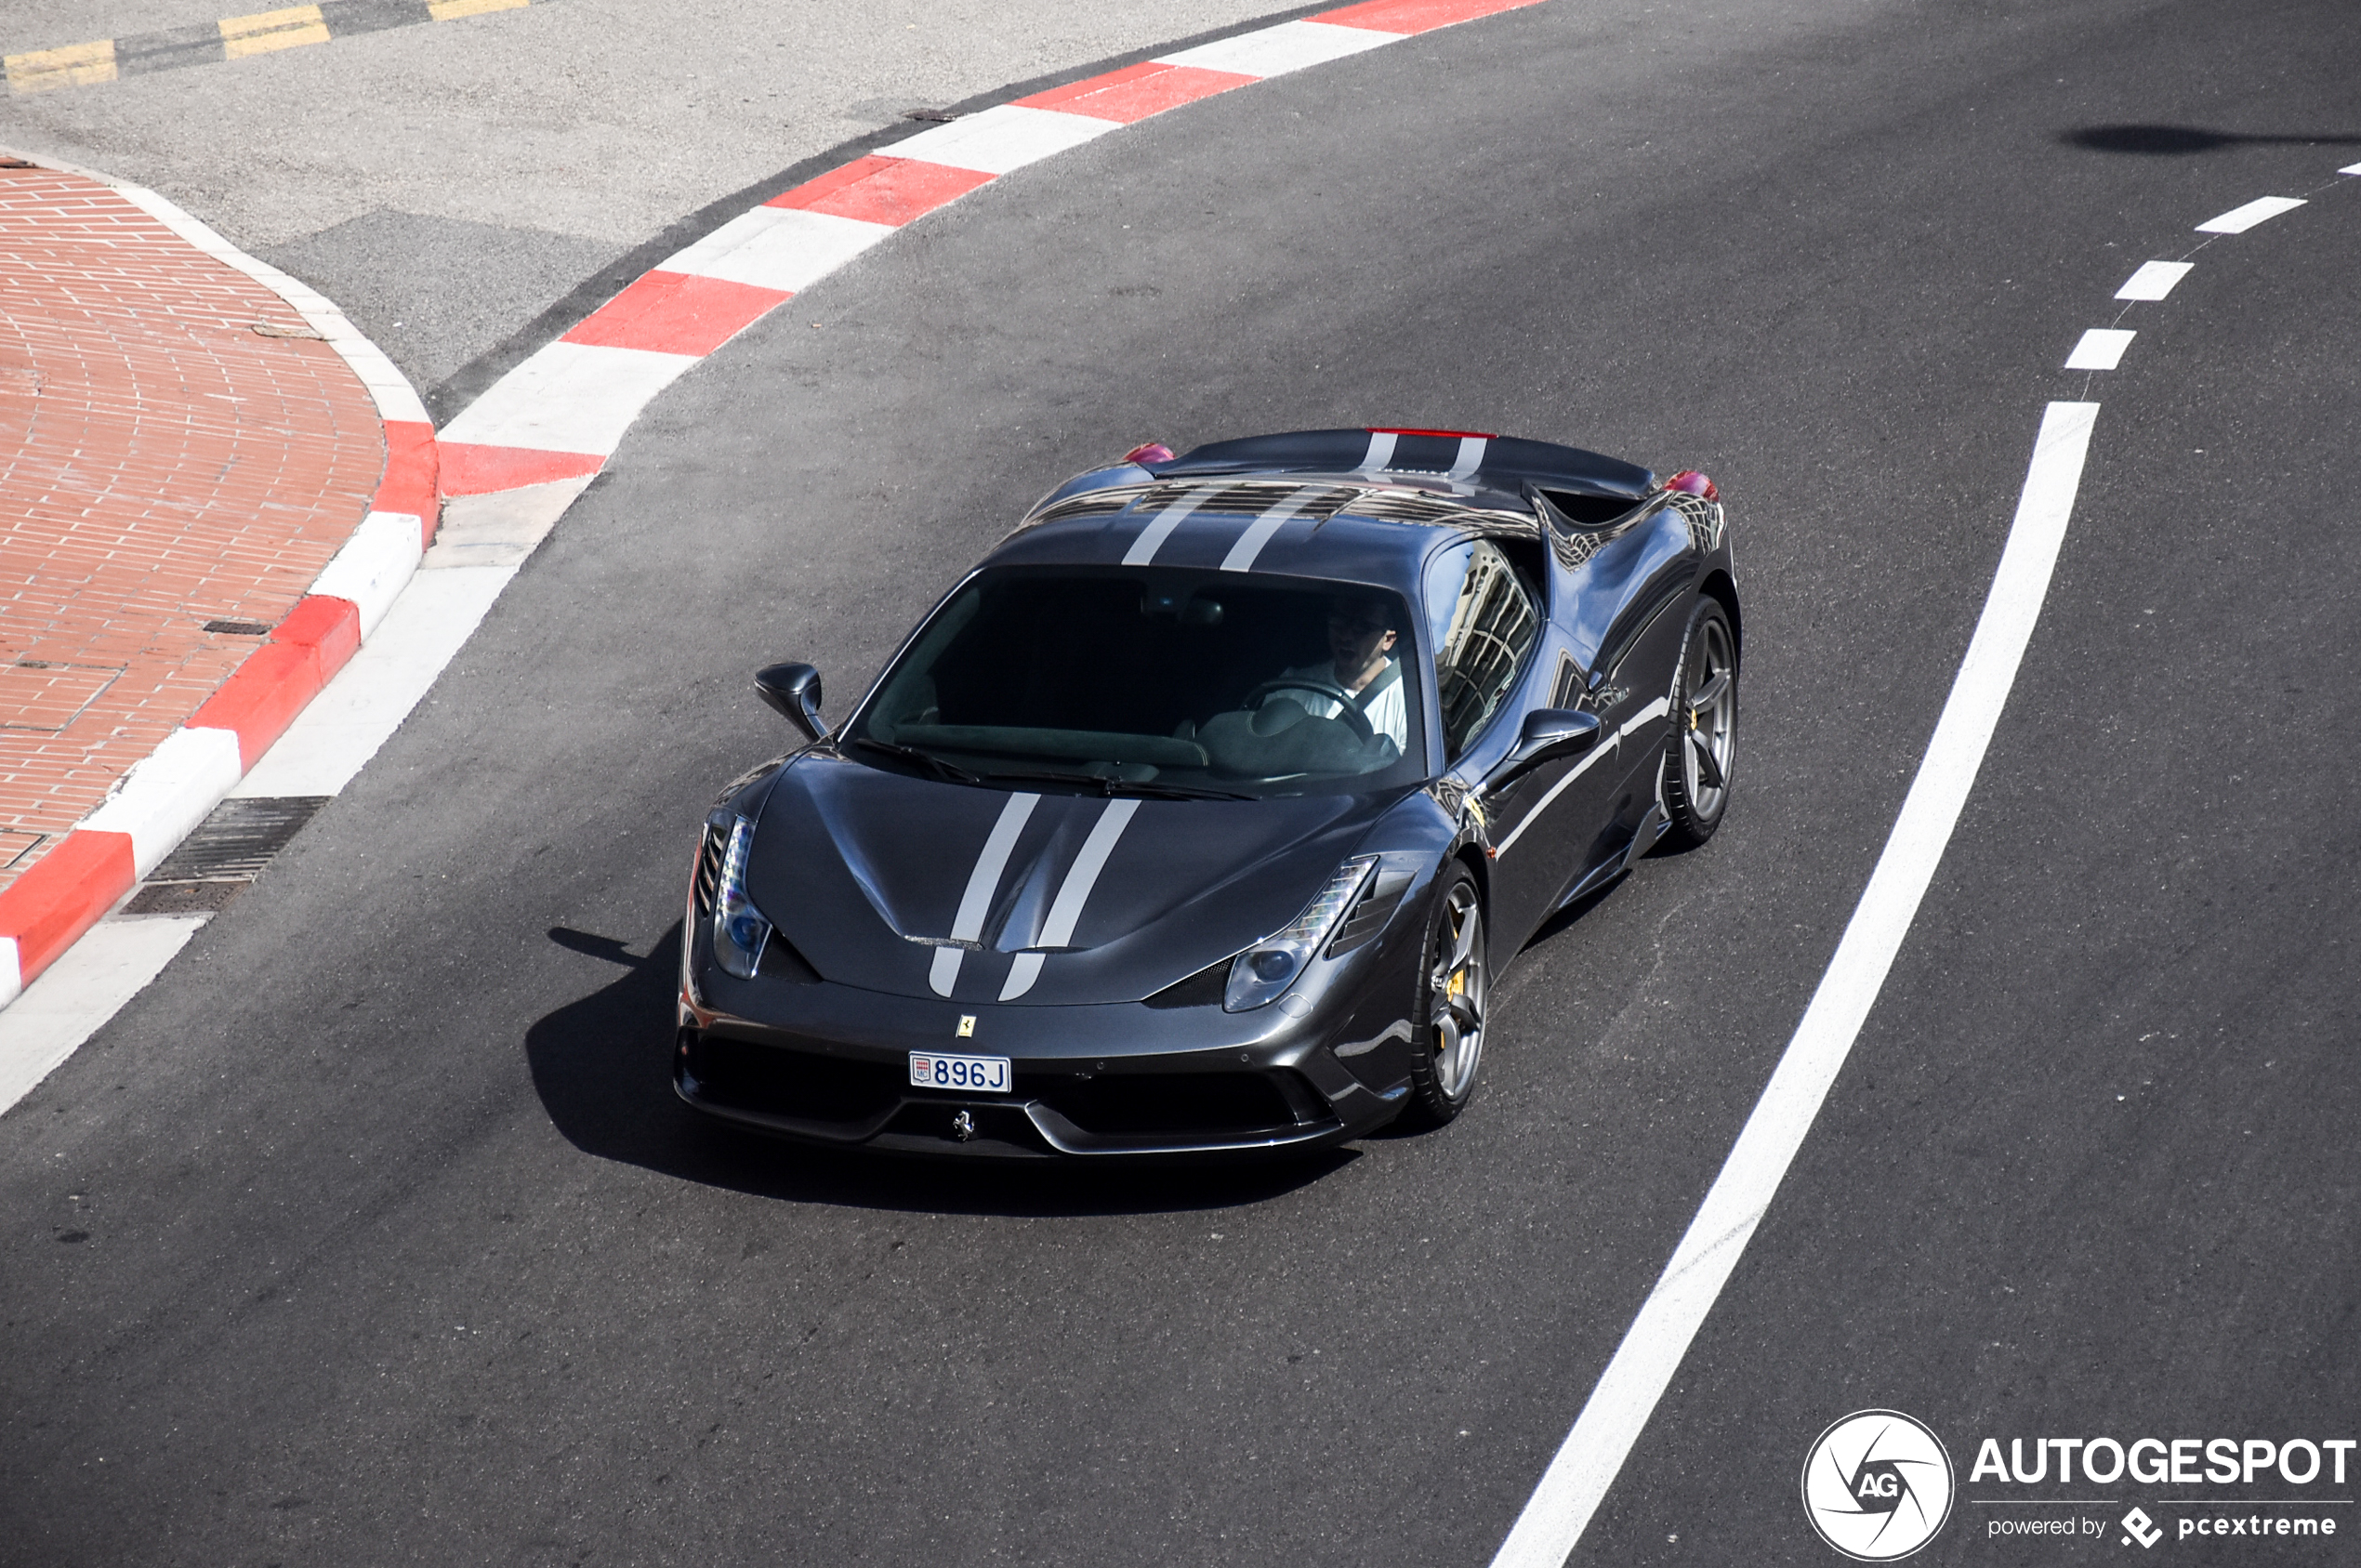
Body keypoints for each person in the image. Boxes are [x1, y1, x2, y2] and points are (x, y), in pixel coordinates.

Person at [1276, 594, 1409, 753]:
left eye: (1362, 628)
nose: (1346, 636)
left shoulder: (1411, 702)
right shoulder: (1291, 690)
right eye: (1339, 622)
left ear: (1388, 640)